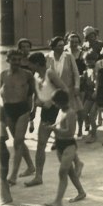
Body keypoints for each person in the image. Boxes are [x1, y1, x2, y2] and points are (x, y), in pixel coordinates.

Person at [25, 52, 67, 187]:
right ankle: (77, 163)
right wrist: (34, 108)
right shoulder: (37, 76)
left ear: (36, 63)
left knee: (42, 144)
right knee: (61, 142)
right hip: (45, 111)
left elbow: (65, 90)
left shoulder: (50, 73)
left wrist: (52, 102)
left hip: (53, 111)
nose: (28, 66)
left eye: (30, 64)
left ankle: (38, 176)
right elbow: (38, 94)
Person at [42, 90, 86, 206]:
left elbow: (70, 132)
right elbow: (59, 127)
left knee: (62, 172)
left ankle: (58, 201)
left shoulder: (71, 113)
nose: (55, 105)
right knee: (70, 172)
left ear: (60, 102)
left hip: (69, 145)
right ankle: (81, 192)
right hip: (60, 145)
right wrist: (52, 129)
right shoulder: (61, 111)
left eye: (56, 102)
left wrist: (53, 129)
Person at [0, 49, 36, 184]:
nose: (16, 62)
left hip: (22, 109)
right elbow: (2, 93)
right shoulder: (3, 75)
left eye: (18, 60)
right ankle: (31, 166)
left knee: (18, 142)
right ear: (8, 60)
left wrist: (33, 110)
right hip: (8, 110)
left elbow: (32, 93)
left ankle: (13, 175)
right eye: (13, 60)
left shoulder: (27, 75)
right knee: (18, 141)